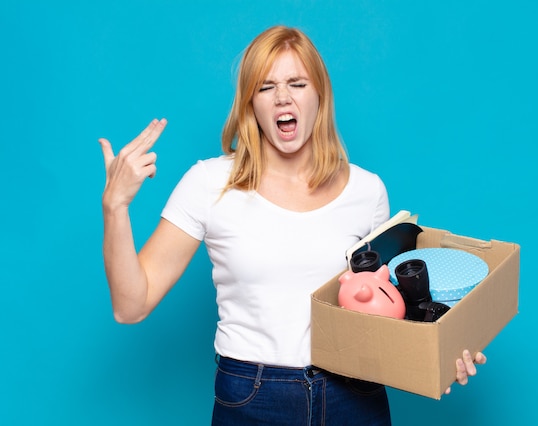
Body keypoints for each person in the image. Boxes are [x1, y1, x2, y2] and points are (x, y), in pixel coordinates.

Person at [98, 25, 487, 425]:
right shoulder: (209, 183)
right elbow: (131, 306)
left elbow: (396, 313)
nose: (283, 97)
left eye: (297, 83)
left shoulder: (367, 191)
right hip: (253, 397)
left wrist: (443, 349)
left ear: (319, 94)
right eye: (266, 87)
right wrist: (115, 206)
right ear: (251, 102)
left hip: (355, 394)